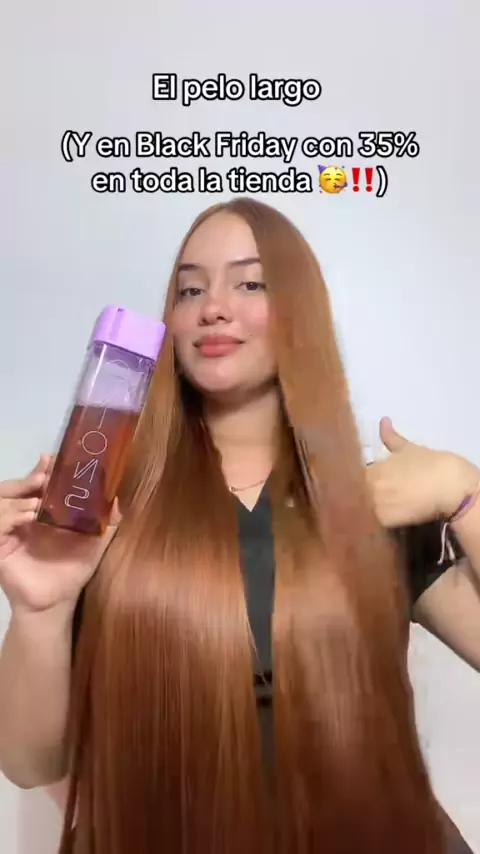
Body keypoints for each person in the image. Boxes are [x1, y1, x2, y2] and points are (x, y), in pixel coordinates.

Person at [0, 198, 479, 854]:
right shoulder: (103, 510)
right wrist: (39, 611)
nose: (214, 308)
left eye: (250, 284)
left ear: (300, 310)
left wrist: (466, 495)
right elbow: (30, 764)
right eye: (190, 289)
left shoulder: (376, 503)